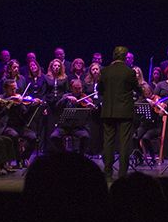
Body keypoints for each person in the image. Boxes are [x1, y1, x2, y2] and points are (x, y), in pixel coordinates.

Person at [98, 46, 141, 178]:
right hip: (124, 111)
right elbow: (137, 88)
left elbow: (100, 90)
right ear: (125, 57)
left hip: (108, 111)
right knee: (124, 142)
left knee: (108, 141)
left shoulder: (105, 71)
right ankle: (122, 173)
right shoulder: (129, 72)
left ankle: (108, 171)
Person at [0, 79, 39, 168]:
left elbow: (25, 116)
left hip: (19, 126)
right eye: (11, 89)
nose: (14, 91)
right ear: (5, 89)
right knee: (14, 136)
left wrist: (33, 107)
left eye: (15, 89)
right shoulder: (1, 99)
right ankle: (17, 160)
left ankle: (24, 158)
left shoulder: (19, 100)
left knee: (33, 137)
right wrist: (9, 103)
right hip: (7, 126)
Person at [50, 79, 94, 154]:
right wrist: (66, 98)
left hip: (78, 127)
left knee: (86, 137)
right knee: (54, 136)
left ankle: (80, 156)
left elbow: (88, 117)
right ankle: (64, 153)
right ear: (71, 88)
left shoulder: (86, 99)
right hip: (64, 127)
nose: (78, 90)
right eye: (76, 88)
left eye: (80, 88)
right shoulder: (66, 96)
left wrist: (90, 109)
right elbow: (57, 107)